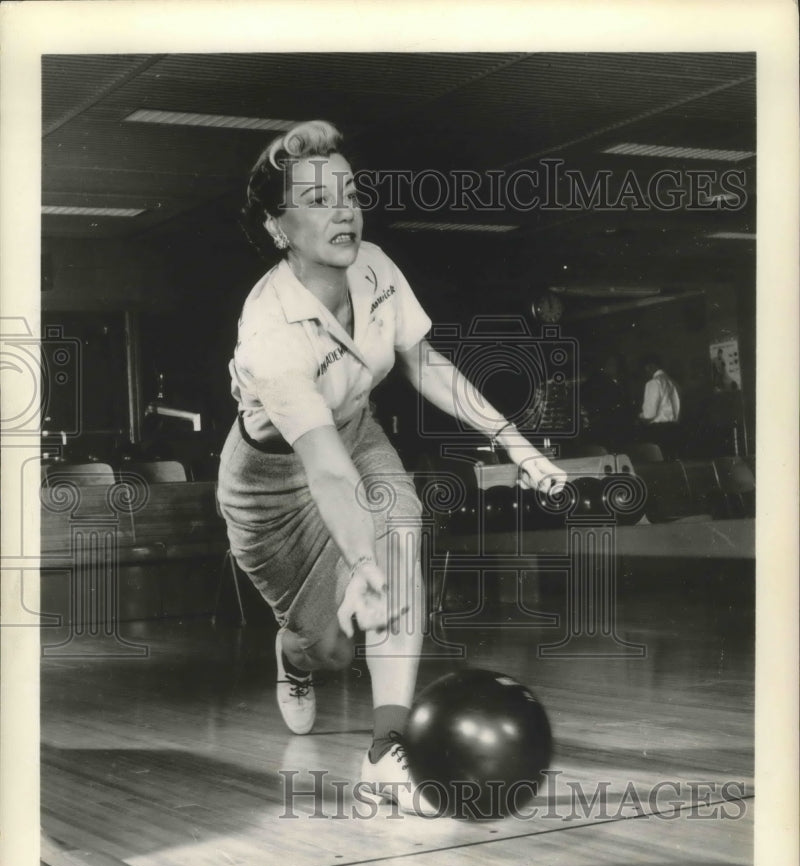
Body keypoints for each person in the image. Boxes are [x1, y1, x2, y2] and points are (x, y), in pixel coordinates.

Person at [217, 121, 566, 815]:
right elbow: (324, 471)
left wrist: (518, 444)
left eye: (349, 192)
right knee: (331, 645)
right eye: (318, 199)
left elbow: (425, 363)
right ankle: (292, 659)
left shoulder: (374, 265)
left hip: (357, 435)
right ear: (278, 226)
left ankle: (386, 749)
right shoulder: (270, 332)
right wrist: (359, 560)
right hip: (271, 484)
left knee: (401, 536)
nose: (344, 210)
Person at [638, 353, 681, 458]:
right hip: (675, 429)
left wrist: (640, 417)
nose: (645, 373)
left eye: (645, 369)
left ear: (649, 367)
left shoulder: (653, 383)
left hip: (659, 431)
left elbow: (649, 415)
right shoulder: (673, 382)